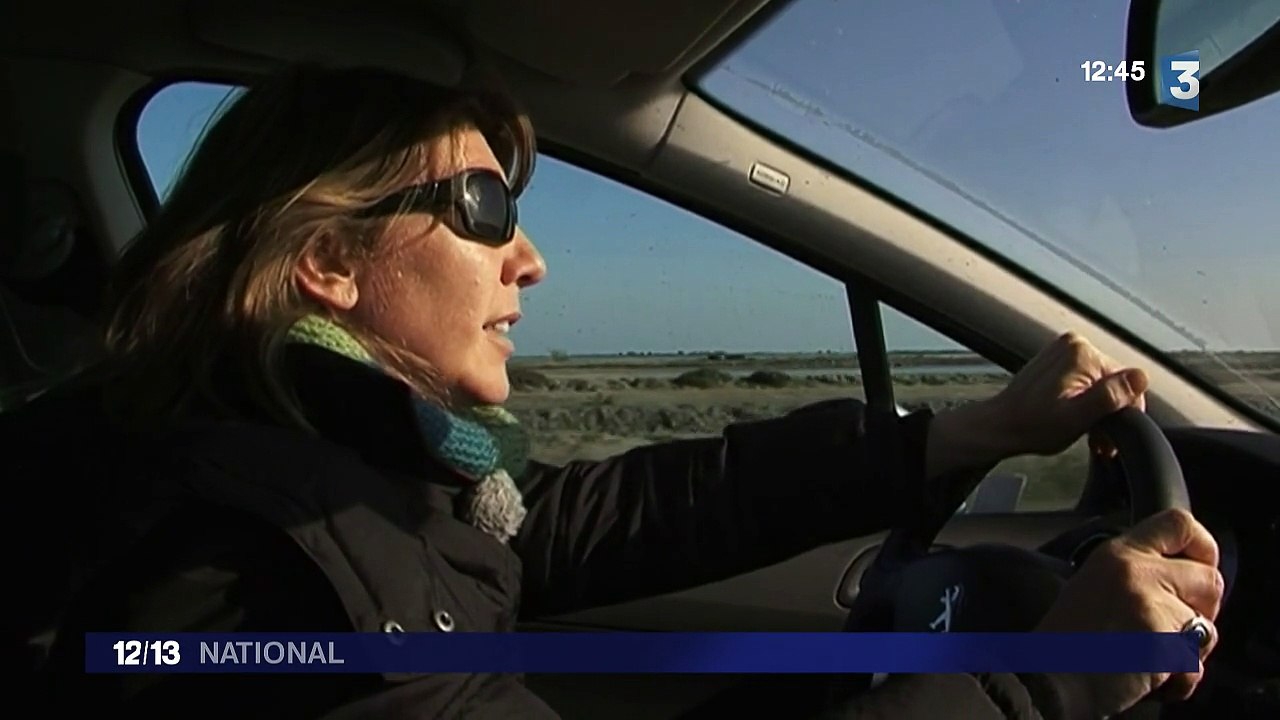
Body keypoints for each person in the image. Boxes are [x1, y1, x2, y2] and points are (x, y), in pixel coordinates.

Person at [6, 64, 1223, 719]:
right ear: (325, 259)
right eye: (483, 211)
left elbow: (580, 520)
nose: (528, 258)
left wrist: (962, 432)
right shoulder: (257, 567)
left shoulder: (348, 466)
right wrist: (1044, 681)